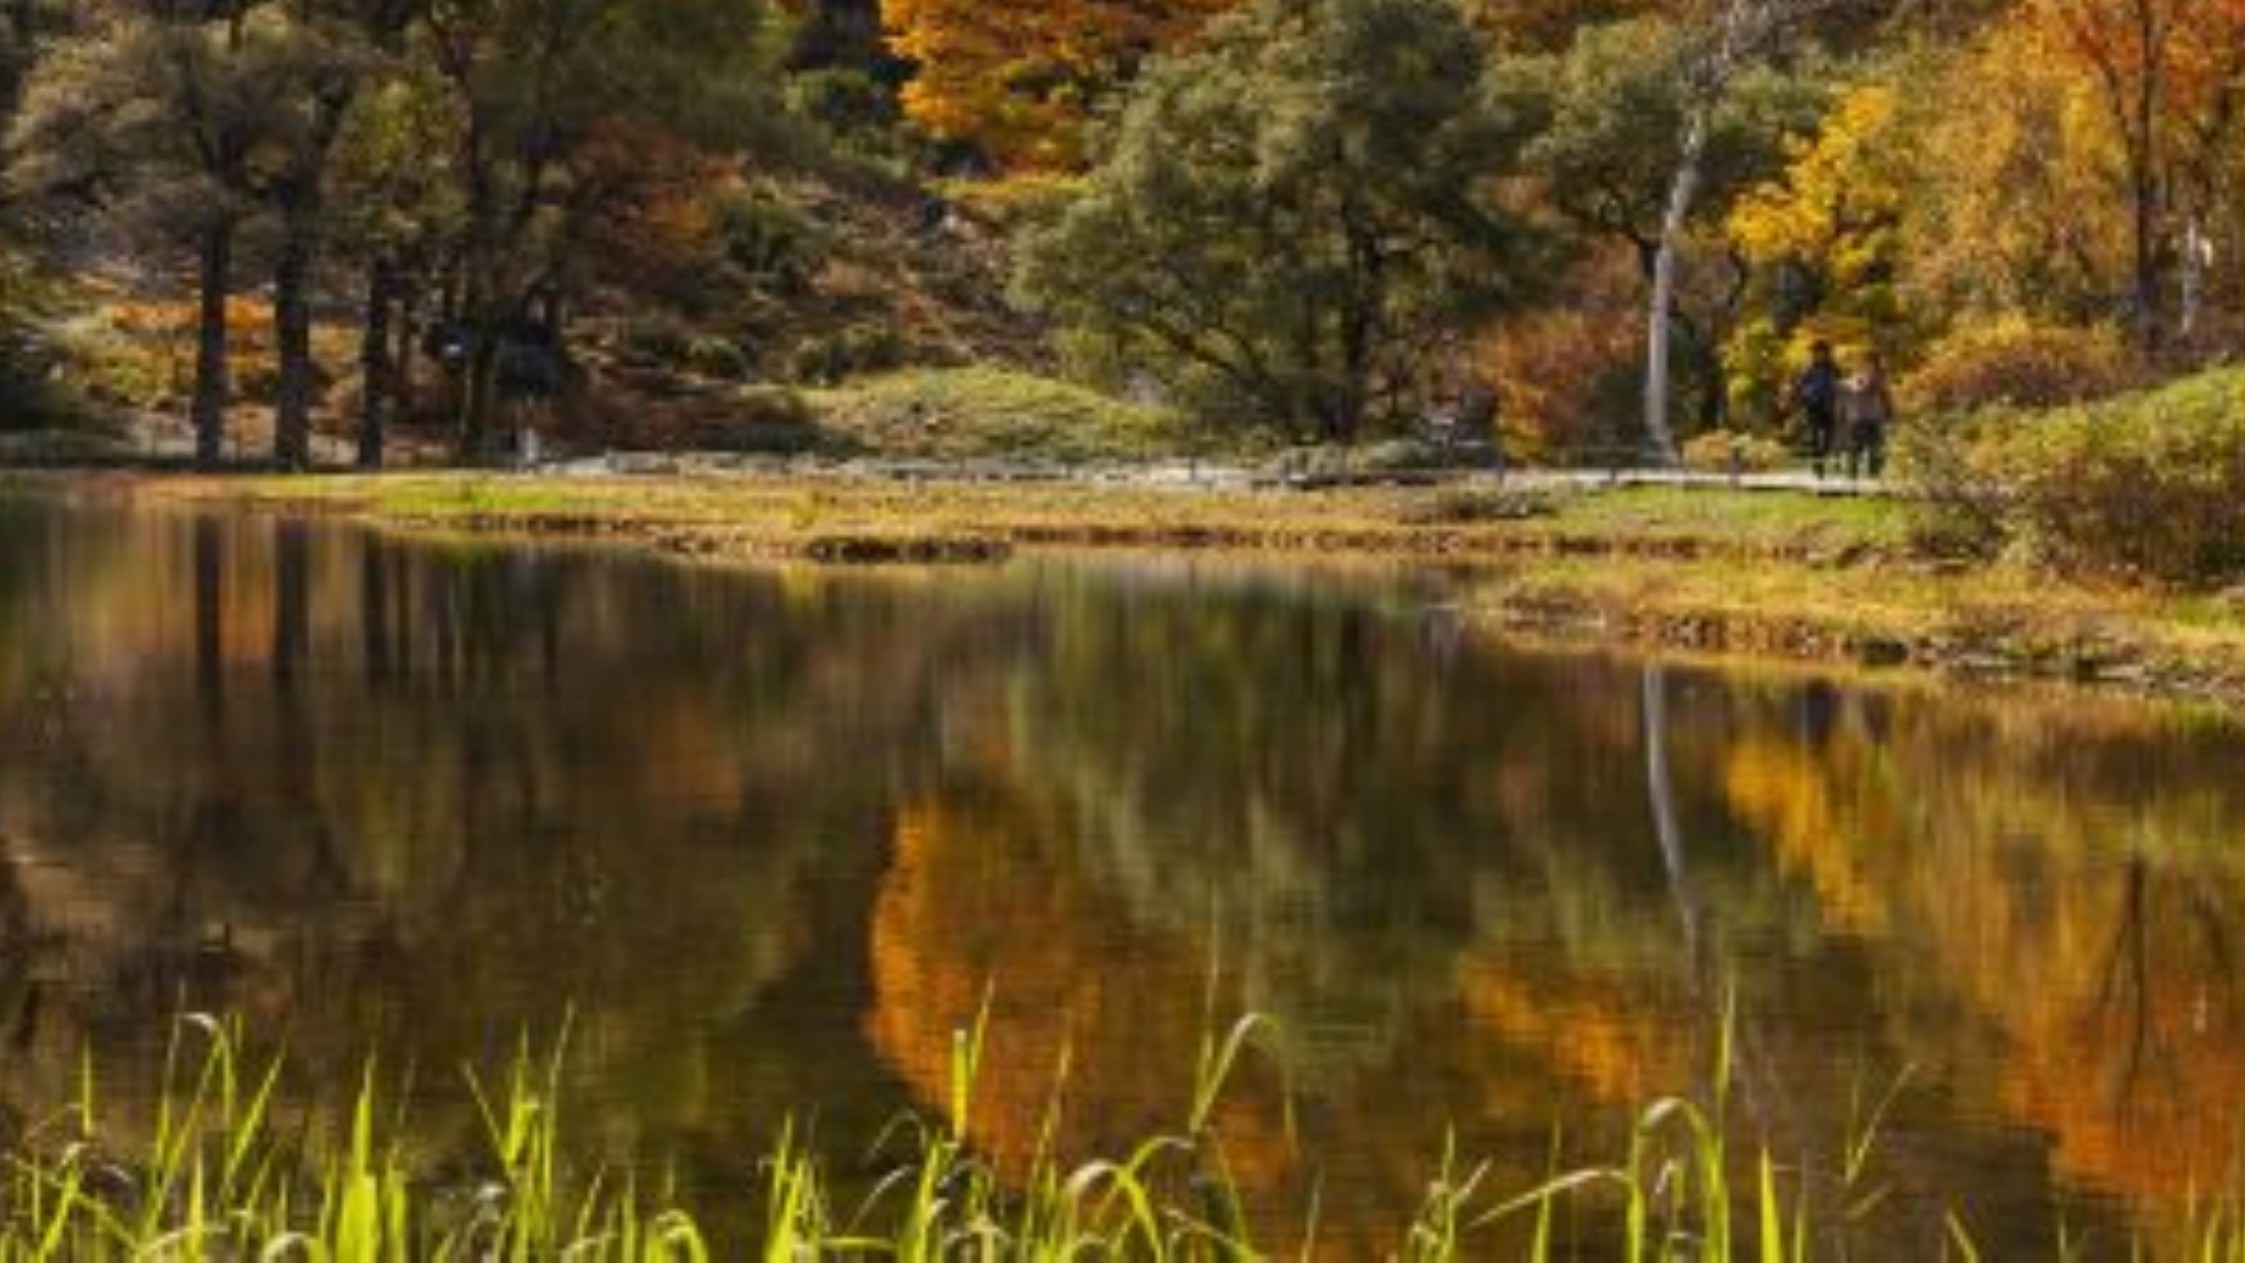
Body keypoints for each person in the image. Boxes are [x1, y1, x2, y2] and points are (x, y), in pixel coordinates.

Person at [1788, 340, 1843, 479]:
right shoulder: (1809, 369)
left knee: (1828, 437)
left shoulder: (1834, 369)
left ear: (1826, 353)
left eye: (1820, 352)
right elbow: (1799, 386)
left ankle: (1822, 458)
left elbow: (1842, 386)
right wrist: (1797, 399)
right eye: (1815, 353)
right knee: (1814, 436)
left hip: (1830, 407)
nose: (1817, 355)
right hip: (1813, 407)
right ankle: (1817, 466)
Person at [1840, 352, 1894, 480]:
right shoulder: (1858, 377)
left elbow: (1885, 396)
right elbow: (1849, 390)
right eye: (1868, 363)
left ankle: (1873, 474)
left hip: (1873, 417)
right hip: (1859, 417)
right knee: (1857, 447)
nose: (1870, 366)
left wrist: (1889, 412)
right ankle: (1852, 474)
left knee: (1875, 448)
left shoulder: (1879, 378)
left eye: (1873, 363)